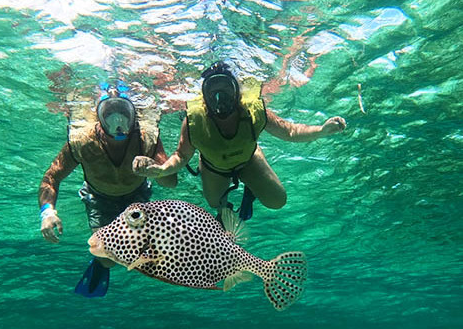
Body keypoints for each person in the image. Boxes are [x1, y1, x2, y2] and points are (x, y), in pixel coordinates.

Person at [132, 61, 346, 220]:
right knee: (216, 204)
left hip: (249, 159)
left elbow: (289, 131)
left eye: (225, 90)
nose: (219, 99)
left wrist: (322, 130)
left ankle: (250, 188)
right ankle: (233, 197)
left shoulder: (253, 112)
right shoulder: (194, 121)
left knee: (277, 201)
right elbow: (181, 156)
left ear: (237, 93)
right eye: (212, 91)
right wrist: (160, 170)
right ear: (204, 97)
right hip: (213, 167)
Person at [38, 81, 177, 297]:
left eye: (123, 113)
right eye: (110, 114)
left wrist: (157, 170)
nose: (118, 121)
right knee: (107, 259)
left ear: (133, 116)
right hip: (99, 198)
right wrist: (47, 212)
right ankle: (100, 264)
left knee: (144, 252)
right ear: (100, 119)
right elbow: (52, 176)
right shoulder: (83, 142)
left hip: (137, 195)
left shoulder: (146, 139)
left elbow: (171, 182)